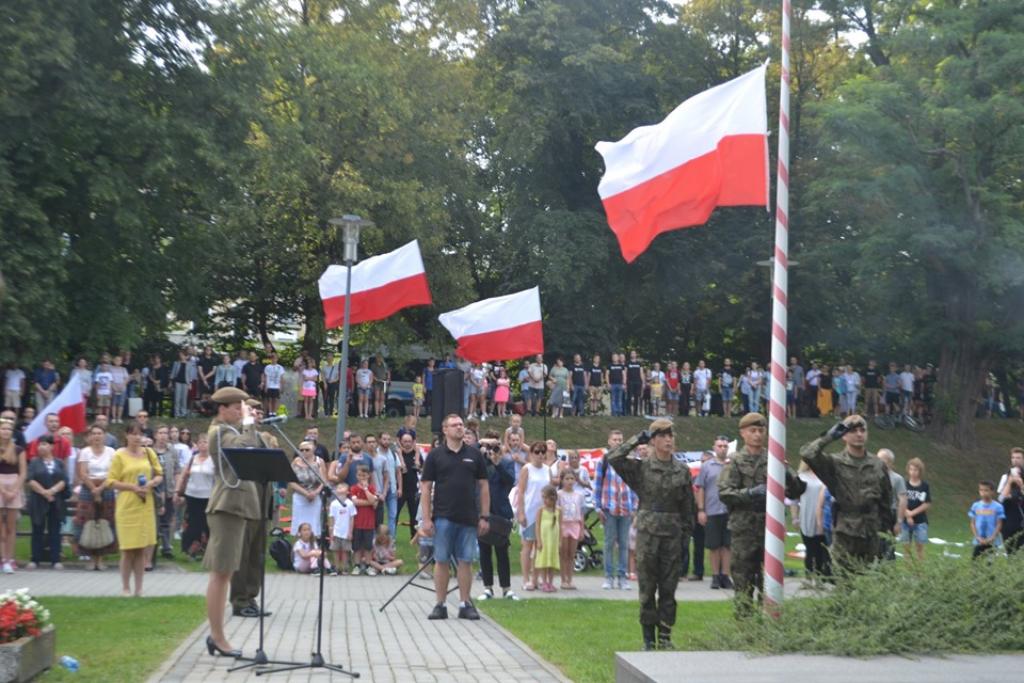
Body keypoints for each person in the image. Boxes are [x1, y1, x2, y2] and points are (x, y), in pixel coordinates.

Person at [604, 419, 695, 651]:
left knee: (668, 590)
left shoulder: (682, 470)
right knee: (647, 590)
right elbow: (613, 458)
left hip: (672, 536)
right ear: (653, 440)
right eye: (662, 435)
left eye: (670, 435)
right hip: (647, 536)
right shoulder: (641, 468)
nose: (668, 440)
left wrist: (685, 537)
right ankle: (648, 639)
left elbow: (688, 508)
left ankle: (665, 636)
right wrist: (637, 439)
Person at [719, 413, 806, 611]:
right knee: (743, 584)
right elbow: (725, 492)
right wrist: (749, 493)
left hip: (770, 530)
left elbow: (797, 491)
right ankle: (745, 631)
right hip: (744, 530)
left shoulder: (774, 459)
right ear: (743, 434)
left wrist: (786, 474)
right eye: (753, 431)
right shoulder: (735, 462)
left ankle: (766, 630)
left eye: (761, 430)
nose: (757, 435)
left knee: (770, 584)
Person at [202, 386, 262, 658]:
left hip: (235, 508)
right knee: (221, 573)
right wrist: (249, 423)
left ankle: (218, 635)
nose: (242, 412)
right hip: (226, 507)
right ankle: (217, 637)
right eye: (237, 408)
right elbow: (246, 448)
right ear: (223, 409)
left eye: (243, 408)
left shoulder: (231, 431)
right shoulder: (221, 432)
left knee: (224, 574)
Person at [799, 415, 893, 572]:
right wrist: (829, 436)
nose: (859, 434)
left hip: (871, 532)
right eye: (853, 430)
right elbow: (807, 454)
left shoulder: (877, 464)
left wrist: (886, 534)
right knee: (844, 582)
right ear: (844, 435)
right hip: (845, 532)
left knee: (869, 583)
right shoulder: (834, 463)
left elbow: (886, 501)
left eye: (863, 430)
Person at [420, 414, 490, 621]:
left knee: (465, 560)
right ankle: (440, 604)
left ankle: (465, 603)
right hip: (443, 516)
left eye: (461, 425)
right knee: (441, 560)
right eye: (455, 425)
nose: (460, 428)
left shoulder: (474, 455)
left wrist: (484, 515)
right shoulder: (435, 455)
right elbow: (426, 487)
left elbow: (484, 485)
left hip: (468, 517)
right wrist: (426, 518)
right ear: (445, 430)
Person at [107, 422, 163, 594]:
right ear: (126, 435)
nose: (137, 437)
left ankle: (139, 588)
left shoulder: (148, 452)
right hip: (127, 504)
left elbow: (159, 474)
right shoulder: (119, 455)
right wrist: (132, 487)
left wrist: (151, 484)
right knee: (127, 549)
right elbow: (111, 481)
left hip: (145, 504)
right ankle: (125, 587)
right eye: (133, 434)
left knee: (140, 549)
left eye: (140, 434)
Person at [594, 429, 637, 590]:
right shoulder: (603, 461)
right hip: (609, 507)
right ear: (609, 441)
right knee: (609, 543)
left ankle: (622, 576)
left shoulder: (630, 461)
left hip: (626, 508)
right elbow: (597, 484)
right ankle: (609, 577)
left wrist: (635, 506)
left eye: (620, 439)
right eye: (615, 439)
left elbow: (634, 485)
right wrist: (597, 507)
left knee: (624, 544)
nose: (618, 442)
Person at [477, 436, 518, 601]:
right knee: (484, 551)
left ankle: (506, 588)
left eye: (496, 446)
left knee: (502, 551)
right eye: (490, 447)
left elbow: (509, 481)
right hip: (484, 511)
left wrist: (497, 463)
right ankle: (488, 588)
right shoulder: (481, 463)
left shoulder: (506, 462)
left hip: (501, 512)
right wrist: (483, 454)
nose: (493, 450)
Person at [75, 425, 117, 570]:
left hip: (106, 488)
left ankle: (101, 558)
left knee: (105, 523)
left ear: (105, 435)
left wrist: (101, 488)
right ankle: (91, 559)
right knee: (87, 523)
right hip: (88, 490)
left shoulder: (111, 452)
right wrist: (94, 489)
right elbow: (82, 473)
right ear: (90, 436)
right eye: (94, 433)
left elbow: (113, 473)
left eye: (100, 433)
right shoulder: (85, 452)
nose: (97, 436)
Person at [26, 435, 68, 570]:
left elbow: (64, 480)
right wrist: (44, 492)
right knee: (37, 529)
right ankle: (35, 559)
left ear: (51, 446)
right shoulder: (34, 462)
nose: (41, 447)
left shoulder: (59, 462)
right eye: (39, 444)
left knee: (55, 530)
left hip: (55, 500)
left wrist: (52, 491)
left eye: (44, 444)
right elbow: (30, 480)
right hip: (38, 500)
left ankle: (56, 559)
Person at [695, 436, 732, 589]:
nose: (722, 448)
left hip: (729, 510)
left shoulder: (732, 465)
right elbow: (700, 488)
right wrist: (701, 510)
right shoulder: (707, 466)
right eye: (719, 446)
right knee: (714, 545)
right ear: (714, 447)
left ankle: (725, 575)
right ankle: (716, 576)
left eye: (725, 446)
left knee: (727, 545)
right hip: (712, 510)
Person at [174, 432, 214, 559]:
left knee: (206, 524)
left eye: (206, 442)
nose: (203, 445)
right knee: (192, 523)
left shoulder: (213, 460)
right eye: (201, 442)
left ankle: (205, 550)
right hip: (191, 495)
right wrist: (177, 491)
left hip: (207, 496)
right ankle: (190, 550)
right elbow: (183, 475)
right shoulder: (193, 458)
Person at [792, 462, 830, 579]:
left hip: (824, 515)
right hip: (807, 514)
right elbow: (794, 499)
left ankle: (823, 575)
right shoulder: (800, 477)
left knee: (823, 548)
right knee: (810, 547)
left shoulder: (825, 476)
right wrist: (795, 517)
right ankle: (809, 575)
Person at [0, 419, 26, 572]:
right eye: (3, 429)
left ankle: (10, 559)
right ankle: (2, 558)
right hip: (0, 484)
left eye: (9, 429)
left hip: (14, 484)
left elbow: (22, 472)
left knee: (11, 526)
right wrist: (3, 490)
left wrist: (14, 490)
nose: (6, 431)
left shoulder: (18, 449)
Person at [290, 440, 326, 537]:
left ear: (313, 450)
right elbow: (291, 481)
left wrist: (316, 492)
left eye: (307, 450)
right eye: (301, 450)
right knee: (299, 524)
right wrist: (305, 493)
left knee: (313, 524)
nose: (304, 452)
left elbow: (324, 481)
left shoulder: (319, 462)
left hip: (315, 497)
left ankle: (313, 545)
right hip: (300, 496)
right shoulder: (296, 462)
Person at [876, 448, 907, 560]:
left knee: (888, 547)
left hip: (889, 515)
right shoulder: (872, 476)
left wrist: (899, 522)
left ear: (889, 462)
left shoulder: (897, 479)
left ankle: (887, 572)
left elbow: (902, 500)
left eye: (881, 459)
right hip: (874, 514)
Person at [557, 469, 585, 590]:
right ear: (562, 480)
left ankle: (570, 579)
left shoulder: (579, 495)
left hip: (575, 524)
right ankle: (563, 579)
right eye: (567, 479)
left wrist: (582, 528)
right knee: (563, 553)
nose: (569, 481)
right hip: (563, 524)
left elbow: (581, 513)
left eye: (572, 479)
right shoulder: (559, 494)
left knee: (571, 554)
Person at [899, 457, 931, 560]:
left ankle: (919, 573)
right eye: (911, 469)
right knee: (906, 549)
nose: (913, 472)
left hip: (920, 521)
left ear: (920, 471)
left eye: (916, 470)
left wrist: (912, 514)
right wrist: (907, 515)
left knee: (919, 549)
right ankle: (907, 573)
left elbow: (926, 503)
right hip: (905, 521)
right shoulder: (904, 484)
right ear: (908, 470)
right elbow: (900, 501)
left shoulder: (925, 486)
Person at [350, 465, 379, 575]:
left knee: (368, 547)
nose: (362, 477)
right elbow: (355, 502)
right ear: (356, 476)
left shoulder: (371, 488)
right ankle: (357, 566)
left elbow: (374, 503)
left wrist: (366, 489)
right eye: (360, 475)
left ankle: (367, 566)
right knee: (357, 547)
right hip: (357, 522)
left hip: (369, 523)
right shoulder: (353, 488)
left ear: (368, 475)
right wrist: (370, 502)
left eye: (364, 475)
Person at [997, 448, 1024, 553]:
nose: (1015, 460)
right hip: (1008, 520)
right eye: (1013, 458)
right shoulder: (1005, 477)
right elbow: (1000, 499)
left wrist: (1021, 484)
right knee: (1010, 552)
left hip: (1021, 519)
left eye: (1018, 458)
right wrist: (1009, 482)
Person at [534, 485, 560, 592]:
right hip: (545, 540)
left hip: (553, 540)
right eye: (543, 497)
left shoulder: (558, 511)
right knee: (544, 562)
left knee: (552, 562)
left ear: (553, 498)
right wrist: (539, 540)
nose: (544, 500)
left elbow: (561, 525)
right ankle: (544, 582)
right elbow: (537, 526)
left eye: (546, 497)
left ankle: (550, 582)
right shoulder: (541, 510)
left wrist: (560, 541)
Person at [969, 481, 1005, 558]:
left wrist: (992, 538)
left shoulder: (998, 507)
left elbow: (999, 524)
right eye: (981, 490)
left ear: (992, 492)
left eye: (986, 490)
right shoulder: (975, 506)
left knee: (989, 563)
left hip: (992, 541)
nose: (983, 492)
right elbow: (972, 523)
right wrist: (977, 537)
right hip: (979, 541)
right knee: (975, 562)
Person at [395, 433, 421, 539]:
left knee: (414, 515)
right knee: (395, 514)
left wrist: (418, 461)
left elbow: (421, 469)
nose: (407, 444)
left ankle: (414, 537)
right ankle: (392, 536)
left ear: (413, 442)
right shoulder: (397, 454)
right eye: (405, 441)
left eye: (409, 441)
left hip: (413, 489)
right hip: (400, 489)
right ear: (401, 441)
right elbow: (400, 470)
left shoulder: (417, 454)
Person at [328, 482, 356, 574]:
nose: (339, 488)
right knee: (335, 550)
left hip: (346, 532)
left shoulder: (350, 504)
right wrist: (331, 531)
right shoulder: (333, 504)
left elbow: (352, 518)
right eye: (338, 487)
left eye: (342, 487)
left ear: (347, 491)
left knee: (345, 551)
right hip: (336, 532)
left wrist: (350, 532)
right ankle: (336, 567)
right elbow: (331, 518)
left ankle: (344, 568)